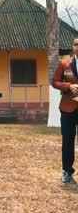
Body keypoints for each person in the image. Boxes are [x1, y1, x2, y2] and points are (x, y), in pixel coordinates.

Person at [52, 38, 78, 183]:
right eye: (76, 44)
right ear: (72, 47)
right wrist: (68, 86)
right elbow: (54, 82)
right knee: (68, 140)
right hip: (68, 108)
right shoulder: (64, 64)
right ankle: (67, 171)